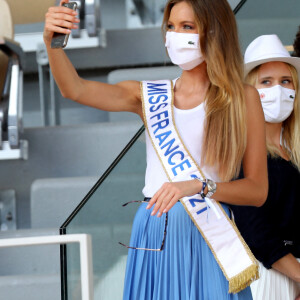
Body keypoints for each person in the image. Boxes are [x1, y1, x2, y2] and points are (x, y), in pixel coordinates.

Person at [44, 0, 268, 299]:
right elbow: (74, 89)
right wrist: (53, 44)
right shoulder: (148, 95)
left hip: (211, 235)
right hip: (154, 228)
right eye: (171, 27)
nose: (175, 36)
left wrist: (199, 186)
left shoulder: (243, 98)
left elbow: (257, 191)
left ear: (215, 32)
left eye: (187, 27)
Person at [231, 34, 300, 300]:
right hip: (266, 277)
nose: (278, 91)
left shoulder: (293, 152)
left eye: (285, 81)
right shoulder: (240, 152)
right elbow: (255, 228)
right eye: (266, 82)